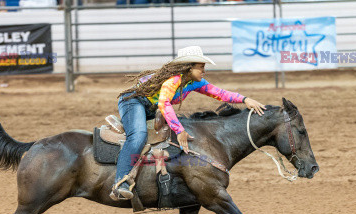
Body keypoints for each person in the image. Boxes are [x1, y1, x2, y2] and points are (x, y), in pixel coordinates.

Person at [110, 45, 266, 201]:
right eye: (201, 67)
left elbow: (219, 93)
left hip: (151, 107)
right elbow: (164, 103)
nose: (204, 71)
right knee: (138, 135)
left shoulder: (194, 82)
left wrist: (245, 99)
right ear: (188, 68)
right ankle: (120, 184)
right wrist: (179, 130)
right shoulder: (173, 80)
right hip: (133, 102)